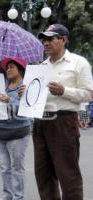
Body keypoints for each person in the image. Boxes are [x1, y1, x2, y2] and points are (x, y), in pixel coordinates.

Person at [22, 24, 93, 200]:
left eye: (51, 39)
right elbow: (36, 97)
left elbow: (88, 94)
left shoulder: (78, 62)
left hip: (64, 121)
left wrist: (64, 91)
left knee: (67, 173)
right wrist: (26, 93)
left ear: (64, 40)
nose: (45, 43)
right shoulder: (40, 66)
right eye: (44, 39)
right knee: (43, 174)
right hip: (40, 123)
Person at [0, 58, 31, 200]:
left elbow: (26, 110)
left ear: (20, 69)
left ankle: (18, 197)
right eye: (7, 67)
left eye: (11, 67)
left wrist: (9, 101)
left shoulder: (25, 87)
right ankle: (8, 195)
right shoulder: (2, 85)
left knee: (17, 168)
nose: (7, 70)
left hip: (18, 133)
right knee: (4, 168)